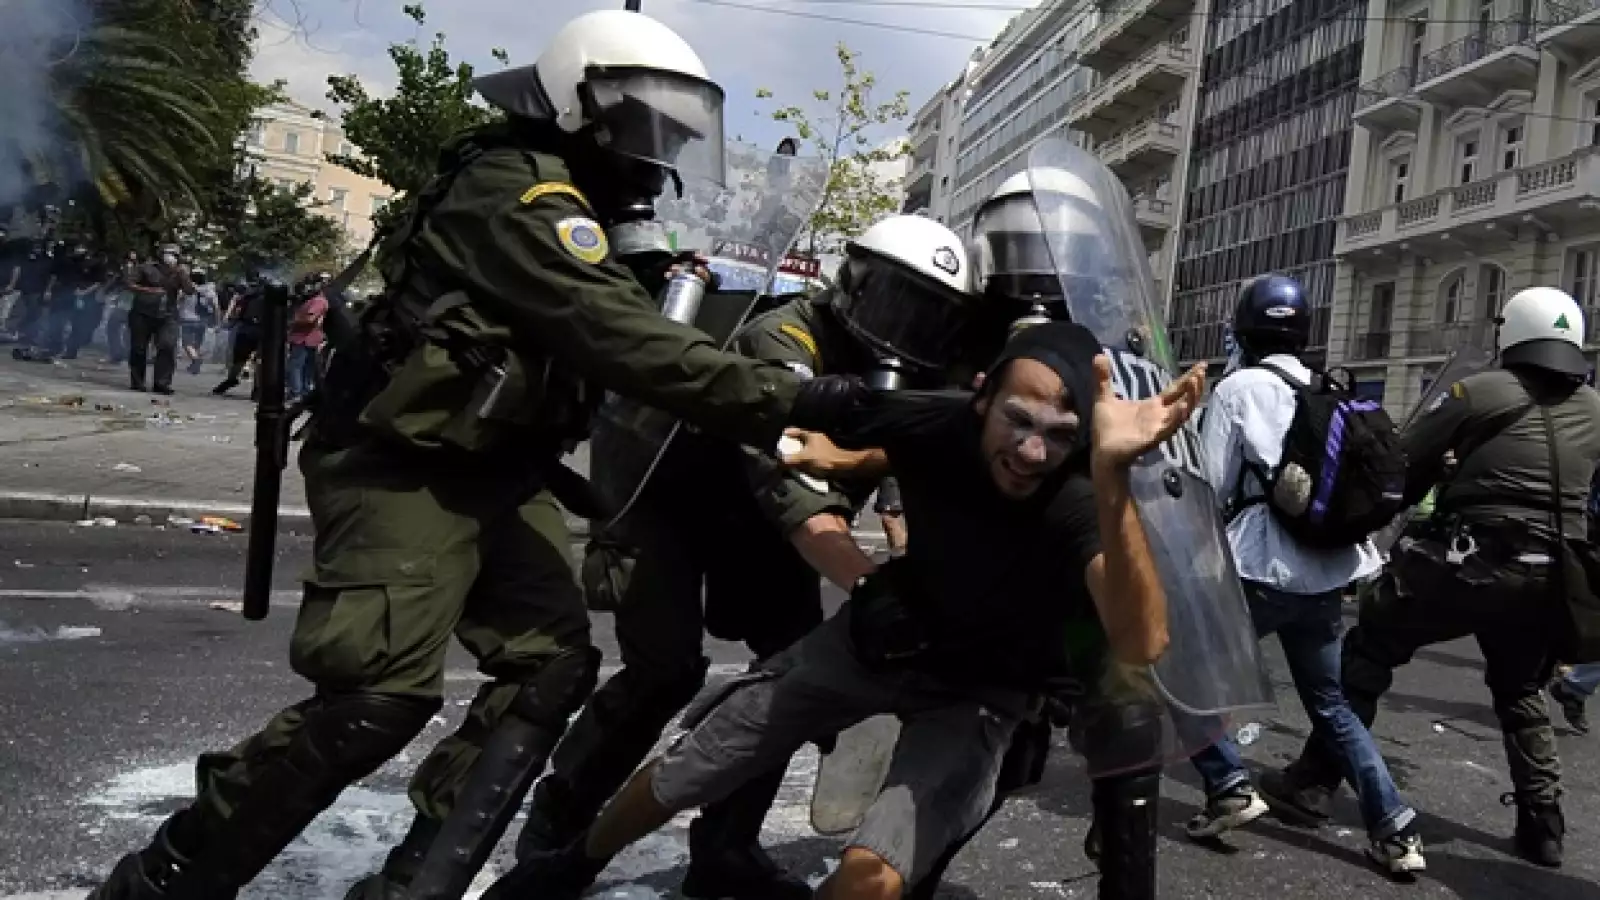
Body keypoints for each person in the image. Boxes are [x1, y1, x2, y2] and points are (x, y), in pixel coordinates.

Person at [86, 11, 857, 900]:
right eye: (649, 130)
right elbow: (625, 341)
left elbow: (629, 308)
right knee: (375, 697)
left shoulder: (584, 206)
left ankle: (417, 886)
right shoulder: (519, 193)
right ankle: (162, 882)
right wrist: (807, 399)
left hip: (500, 467)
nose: (660, 155)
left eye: (674, 136)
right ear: (578, 108)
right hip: (403, 462)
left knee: (549, 664)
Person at [485, 321, 1202, 900]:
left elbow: (1143, 640)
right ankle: (573, 861)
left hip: (981, 687)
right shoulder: (937, 419)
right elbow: (863, 429)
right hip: (887, 635)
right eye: (1018, 419)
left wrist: (1111, 475)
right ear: (981, 398)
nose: (1031, 449)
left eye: (1060, 434)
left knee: (871, 875)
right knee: (694, 765)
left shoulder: (1080, 498)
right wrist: (827, 454)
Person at [508, 214, 979, 900]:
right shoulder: (782, 340)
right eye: (896, 302)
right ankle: (564, 815)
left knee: (794, 680)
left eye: (928, 315)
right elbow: (796, 491)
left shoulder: (904, 373)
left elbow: (903, 475)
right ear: (855, 282)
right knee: (664, 671)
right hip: (674, 505)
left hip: (764, 529)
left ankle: (725, 847)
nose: (905, 327)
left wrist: (913, 567)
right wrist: (874, 589)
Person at [1262, 286, 1600, 869]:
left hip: (1467, 565)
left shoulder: (1481, 390)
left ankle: (1313, 783)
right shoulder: (1596, 408)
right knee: (1520, 691)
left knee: (1368, 654)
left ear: (1511, 332)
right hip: (1550, 577)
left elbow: (1402, 462)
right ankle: (1543, 825)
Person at [1180, 274, 1423, 875]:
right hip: (1326, 574)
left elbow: (1207, 484)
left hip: (1259, 569)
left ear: (1244, 329)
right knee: (1333, 707)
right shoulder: (1329, 387)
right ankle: (1395, 830)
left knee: (1179, 675)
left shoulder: (1238, 388)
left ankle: (1228, 786)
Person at [126, 244, 190, 394]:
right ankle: (137, 381)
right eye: (167, 253)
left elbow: (189, 290)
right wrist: (150, 291)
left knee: (167, 346)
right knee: (139, 348)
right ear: (160, 254)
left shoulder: (180, 271)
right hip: (142, 313)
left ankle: (162, 383)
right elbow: (129, 284)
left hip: (168, 315)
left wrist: (183, 275)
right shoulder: (146, 268)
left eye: (174, 254)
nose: (170, 256)